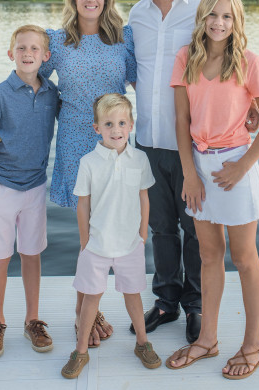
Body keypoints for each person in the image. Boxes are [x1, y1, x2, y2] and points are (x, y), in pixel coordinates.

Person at [128, 0, 259, 344]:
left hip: (194, 143)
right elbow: (132, 70)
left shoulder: (206, 7)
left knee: (196, 226)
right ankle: (166, 299)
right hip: (148, 138)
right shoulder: (135, 14)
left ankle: (196, 305)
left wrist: (251, 104)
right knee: (161, 227)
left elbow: (236, 51)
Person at [166, 0, 259, 379]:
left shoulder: (249, 62)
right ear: (202, 18)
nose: (218, 22)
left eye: (227, 16)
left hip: (235, 167)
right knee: (209, 255)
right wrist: (189, 174)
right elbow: (181, 121)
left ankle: (255, 345)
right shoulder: (186, 58)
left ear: (236, 21)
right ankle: (208, 340)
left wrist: (242, 166)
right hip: (198, 166)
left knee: (244, 258)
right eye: (212, 15)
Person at [39, 0, 137, 347]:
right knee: (88, 237)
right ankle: (88, 315)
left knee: (106, 229)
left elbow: (143, 82)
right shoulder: (58, 41)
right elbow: (33, 75)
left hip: (112, 144)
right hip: (75, 144)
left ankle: (88, 313)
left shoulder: (122, 38)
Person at [61, 93, 161, 379]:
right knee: (92, 296)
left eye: (121, 123)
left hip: (130, 243)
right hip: (97, 244)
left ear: (130, 125)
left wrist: (142, 235)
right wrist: (85, 241)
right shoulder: (89, 162)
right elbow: (83, 204)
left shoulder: (139, 159)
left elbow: (144, 198)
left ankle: (142, 343)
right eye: (108, 124)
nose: (115, 130)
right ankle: (80, 351)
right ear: (97, 128)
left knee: (134, 294)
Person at [0, 25, 59, 358]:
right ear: (11, 54)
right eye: (21, 48)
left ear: (45, 56)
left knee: (31, 254)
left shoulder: (52, 92)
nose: (28, 54)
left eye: (35, 49)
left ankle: (32, 320)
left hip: (36, 186)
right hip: (3, 188)